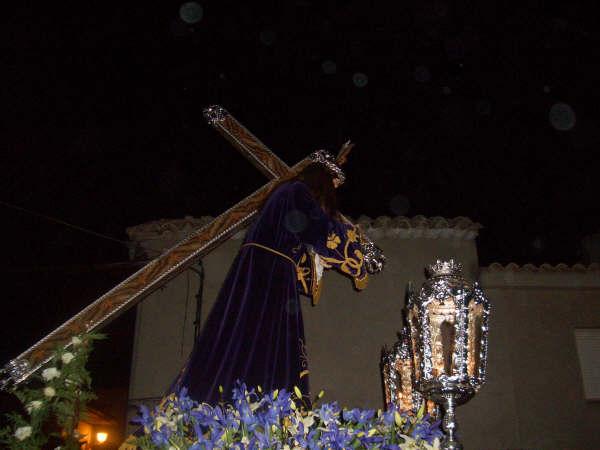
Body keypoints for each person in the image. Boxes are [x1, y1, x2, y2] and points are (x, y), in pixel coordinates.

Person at [171, 150, 370, 404]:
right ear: (321, 183)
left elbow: (299, 242)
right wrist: (354, 242)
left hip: (262, 271)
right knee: (266, 338)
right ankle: (259, 401)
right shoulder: (297, 192)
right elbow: (320, 230)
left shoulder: (285, 194)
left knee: (249, 336)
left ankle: (251, 399)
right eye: (331, 188)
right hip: (269, 274)